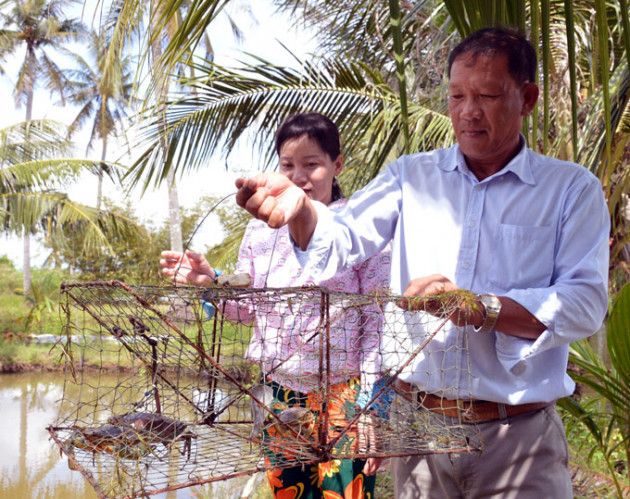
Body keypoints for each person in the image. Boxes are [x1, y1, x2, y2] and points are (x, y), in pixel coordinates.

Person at [234, 28, 610, 498]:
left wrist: (483, 308)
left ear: (527, 98)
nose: (467, 111)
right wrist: (304, 211)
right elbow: (339, 241)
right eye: (457, 95)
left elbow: (585, 303)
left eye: (488, 95)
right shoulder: (409, 177)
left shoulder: (571, 189)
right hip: (419, 436)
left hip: (518, 439)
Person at [160, 112, 391, 498]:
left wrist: (371, 405)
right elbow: (249, 309)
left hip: (346, 395)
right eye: (288, 166)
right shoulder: (261, 229)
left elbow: (378, 321)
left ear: (337, 165)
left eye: (312, 164)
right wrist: (210, 283)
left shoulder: (359, 226)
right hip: (279, 393)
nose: (299, 177)